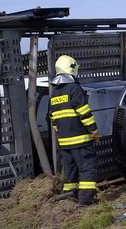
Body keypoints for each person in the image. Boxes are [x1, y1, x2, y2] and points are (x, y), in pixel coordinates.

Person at [49, 55, 99, 206]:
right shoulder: (74, 89)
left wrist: (61, 135)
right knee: (87, 168)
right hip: (81, 139)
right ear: (71, 69)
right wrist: (93, 130)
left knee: (69, 170)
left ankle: (69, 195)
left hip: (64, 142)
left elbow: (53, 118)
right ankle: (85, 201)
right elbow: (84, 112)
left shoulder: (54, 93)